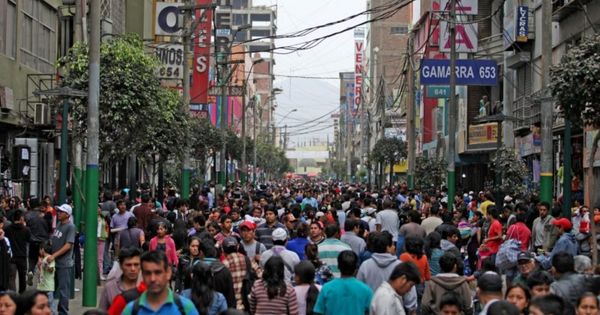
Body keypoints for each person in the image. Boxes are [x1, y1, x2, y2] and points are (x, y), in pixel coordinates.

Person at [122, 251, 198, 315]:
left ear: (168, 273)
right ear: (142, 275)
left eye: (158, 272)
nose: (152, 279)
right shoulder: (130, 310)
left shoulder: (186, 308)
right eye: (148, 273)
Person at [313, 250, 373, 315]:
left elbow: (318, 312)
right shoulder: (366, 290)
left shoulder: (327, 288)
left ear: (338, 266)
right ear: (355, 268)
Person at [48, 204, 76, 315]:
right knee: (53, 288)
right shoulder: (59, 224)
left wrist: (54, 255)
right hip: (55, 262)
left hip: (64, 263)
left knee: (64, 290)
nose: (58, 213)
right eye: (58, 211)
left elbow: (68, 245)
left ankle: (63, 312)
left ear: (67, 214)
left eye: (61, 212)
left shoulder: (70, 227)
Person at [99, 247, 142, 313]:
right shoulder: (110, 287)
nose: (133, 269)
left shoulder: (147, 287)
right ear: (121, 266)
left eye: (136, 265)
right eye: (128, 265)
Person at [5, 209, 31, 293]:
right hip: (22, 257)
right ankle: (22, 295)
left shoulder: (7, 229)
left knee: (11, 278)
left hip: (11, 257)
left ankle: (13, 296)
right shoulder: (26, 230)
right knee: (22, 277)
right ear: (21, 218)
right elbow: (29, 240)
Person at [222, 236, 249, 310]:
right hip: (246, 303)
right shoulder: (247, 259)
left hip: (231, 305)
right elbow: (261, 275)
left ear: (223, 250)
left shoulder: (223, 264)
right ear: (237, 247)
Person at [35, 241, 55, 311]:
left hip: (48, 287)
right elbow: (41, 272)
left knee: (51, 307)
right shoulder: (43, 258)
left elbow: (51, 270)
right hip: (42, 287)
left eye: (39, 249)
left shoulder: (50, 258)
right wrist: (39, 265)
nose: (39, 251)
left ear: (42, 249)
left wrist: (44, 264)